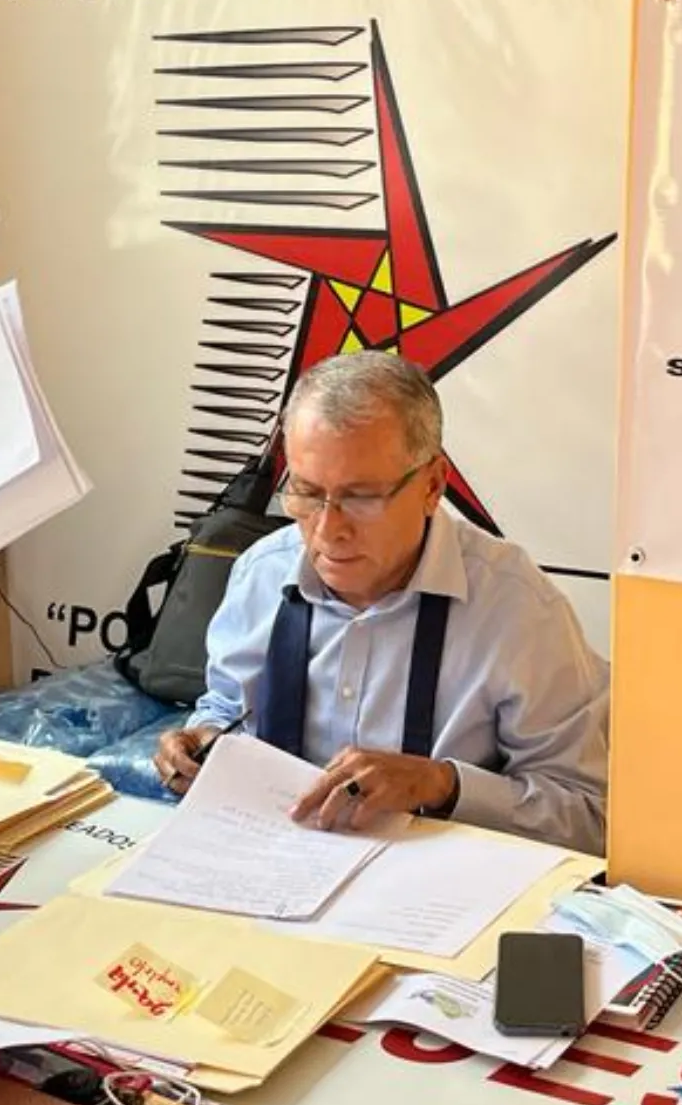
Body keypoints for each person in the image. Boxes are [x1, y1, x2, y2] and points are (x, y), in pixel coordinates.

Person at [153, 354, 608, 856]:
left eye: (363, 497)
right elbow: (226, 709)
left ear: (433, 485)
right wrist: (201, 742)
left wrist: (441, 786)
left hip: (434, 895)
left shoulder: (519, 612)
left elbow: (589, 818)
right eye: (306, 493)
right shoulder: (261, 575)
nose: (328, 531)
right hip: (263, 863)